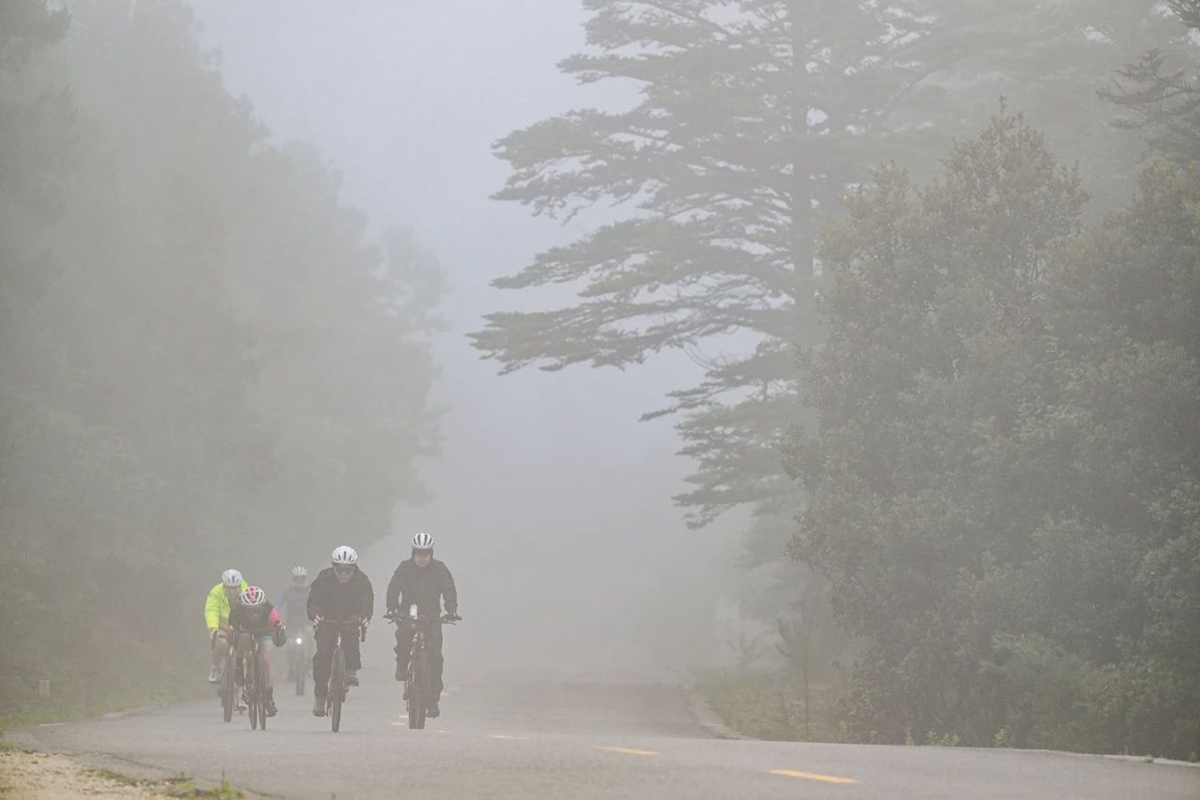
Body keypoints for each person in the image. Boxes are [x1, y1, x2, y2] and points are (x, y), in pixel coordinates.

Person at [386, 532, 458, 718]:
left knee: (435, 657)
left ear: (431, 553)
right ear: (413, 553)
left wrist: (451, 610)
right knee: (403, 637)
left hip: (432, 617)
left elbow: (448, 588)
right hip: (408, 614)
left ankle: (433, 700)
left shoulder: (439, 569)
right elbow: (394, 587)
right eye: (419, 553)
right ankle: (402, 666)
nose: (422, 557)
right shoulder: (404, 568)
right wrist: (392, 607)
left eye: (426, 553)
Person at [307, 545, 374, 717]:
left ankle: (351, 668)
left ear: (354, 569)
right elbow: (314, 600)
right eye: (340, 570)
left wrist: (364, 616)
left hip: (350, 617)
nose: (343, 574)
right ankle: (320, 696)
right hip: (327, 618)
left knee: (351, 634)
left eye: (348, 570)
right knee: (323, 655)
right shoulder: (323, 578)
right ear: (334, 567)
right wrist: (315, 615)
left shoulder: (362, 580)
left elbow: (366, 601)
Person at [228, 586, 286, 717]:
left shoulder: (269, 609)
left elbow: (278, 625)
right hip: (246, 632)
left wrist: (279, 629)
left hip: (264, 632)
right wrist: (232, 632)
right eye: (250, 611)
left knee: (267, 657)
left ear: (262, 607)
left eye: (257, 611)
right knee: (243, 638)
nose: (254, 615)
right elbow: (232, 630)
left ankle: (269, 698)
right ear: (244, 608)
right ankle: (240, 665)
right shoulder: (237, 610)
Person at [205, 568, 247, 683]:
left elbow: (250, 611)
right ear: (224, 586)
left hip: (240, 626)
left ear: (239, 586)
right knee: (221, 644)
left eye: (235, 588)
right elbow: (211, 610)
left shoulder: (246, 592)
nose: (232, 591)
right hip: (222, 626)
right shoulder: (216, 592)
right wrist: (213, 629)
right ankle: (215, 667)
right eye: (229, 588)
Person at [277, 566, 312, 682]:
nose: (300, 581)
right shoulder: (288, 590)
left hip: (307, 620)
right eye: (297, 579)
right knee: (290, 644)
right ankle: (291, 668)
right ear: (293, 579)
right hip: (292, 621)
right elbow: (279, 603)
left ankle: (309, 657)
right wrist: (275, 616)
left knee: (309, 633)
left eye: (302, 579)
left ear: (305, 579)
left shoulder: (310, 590)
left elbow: (318, 603)